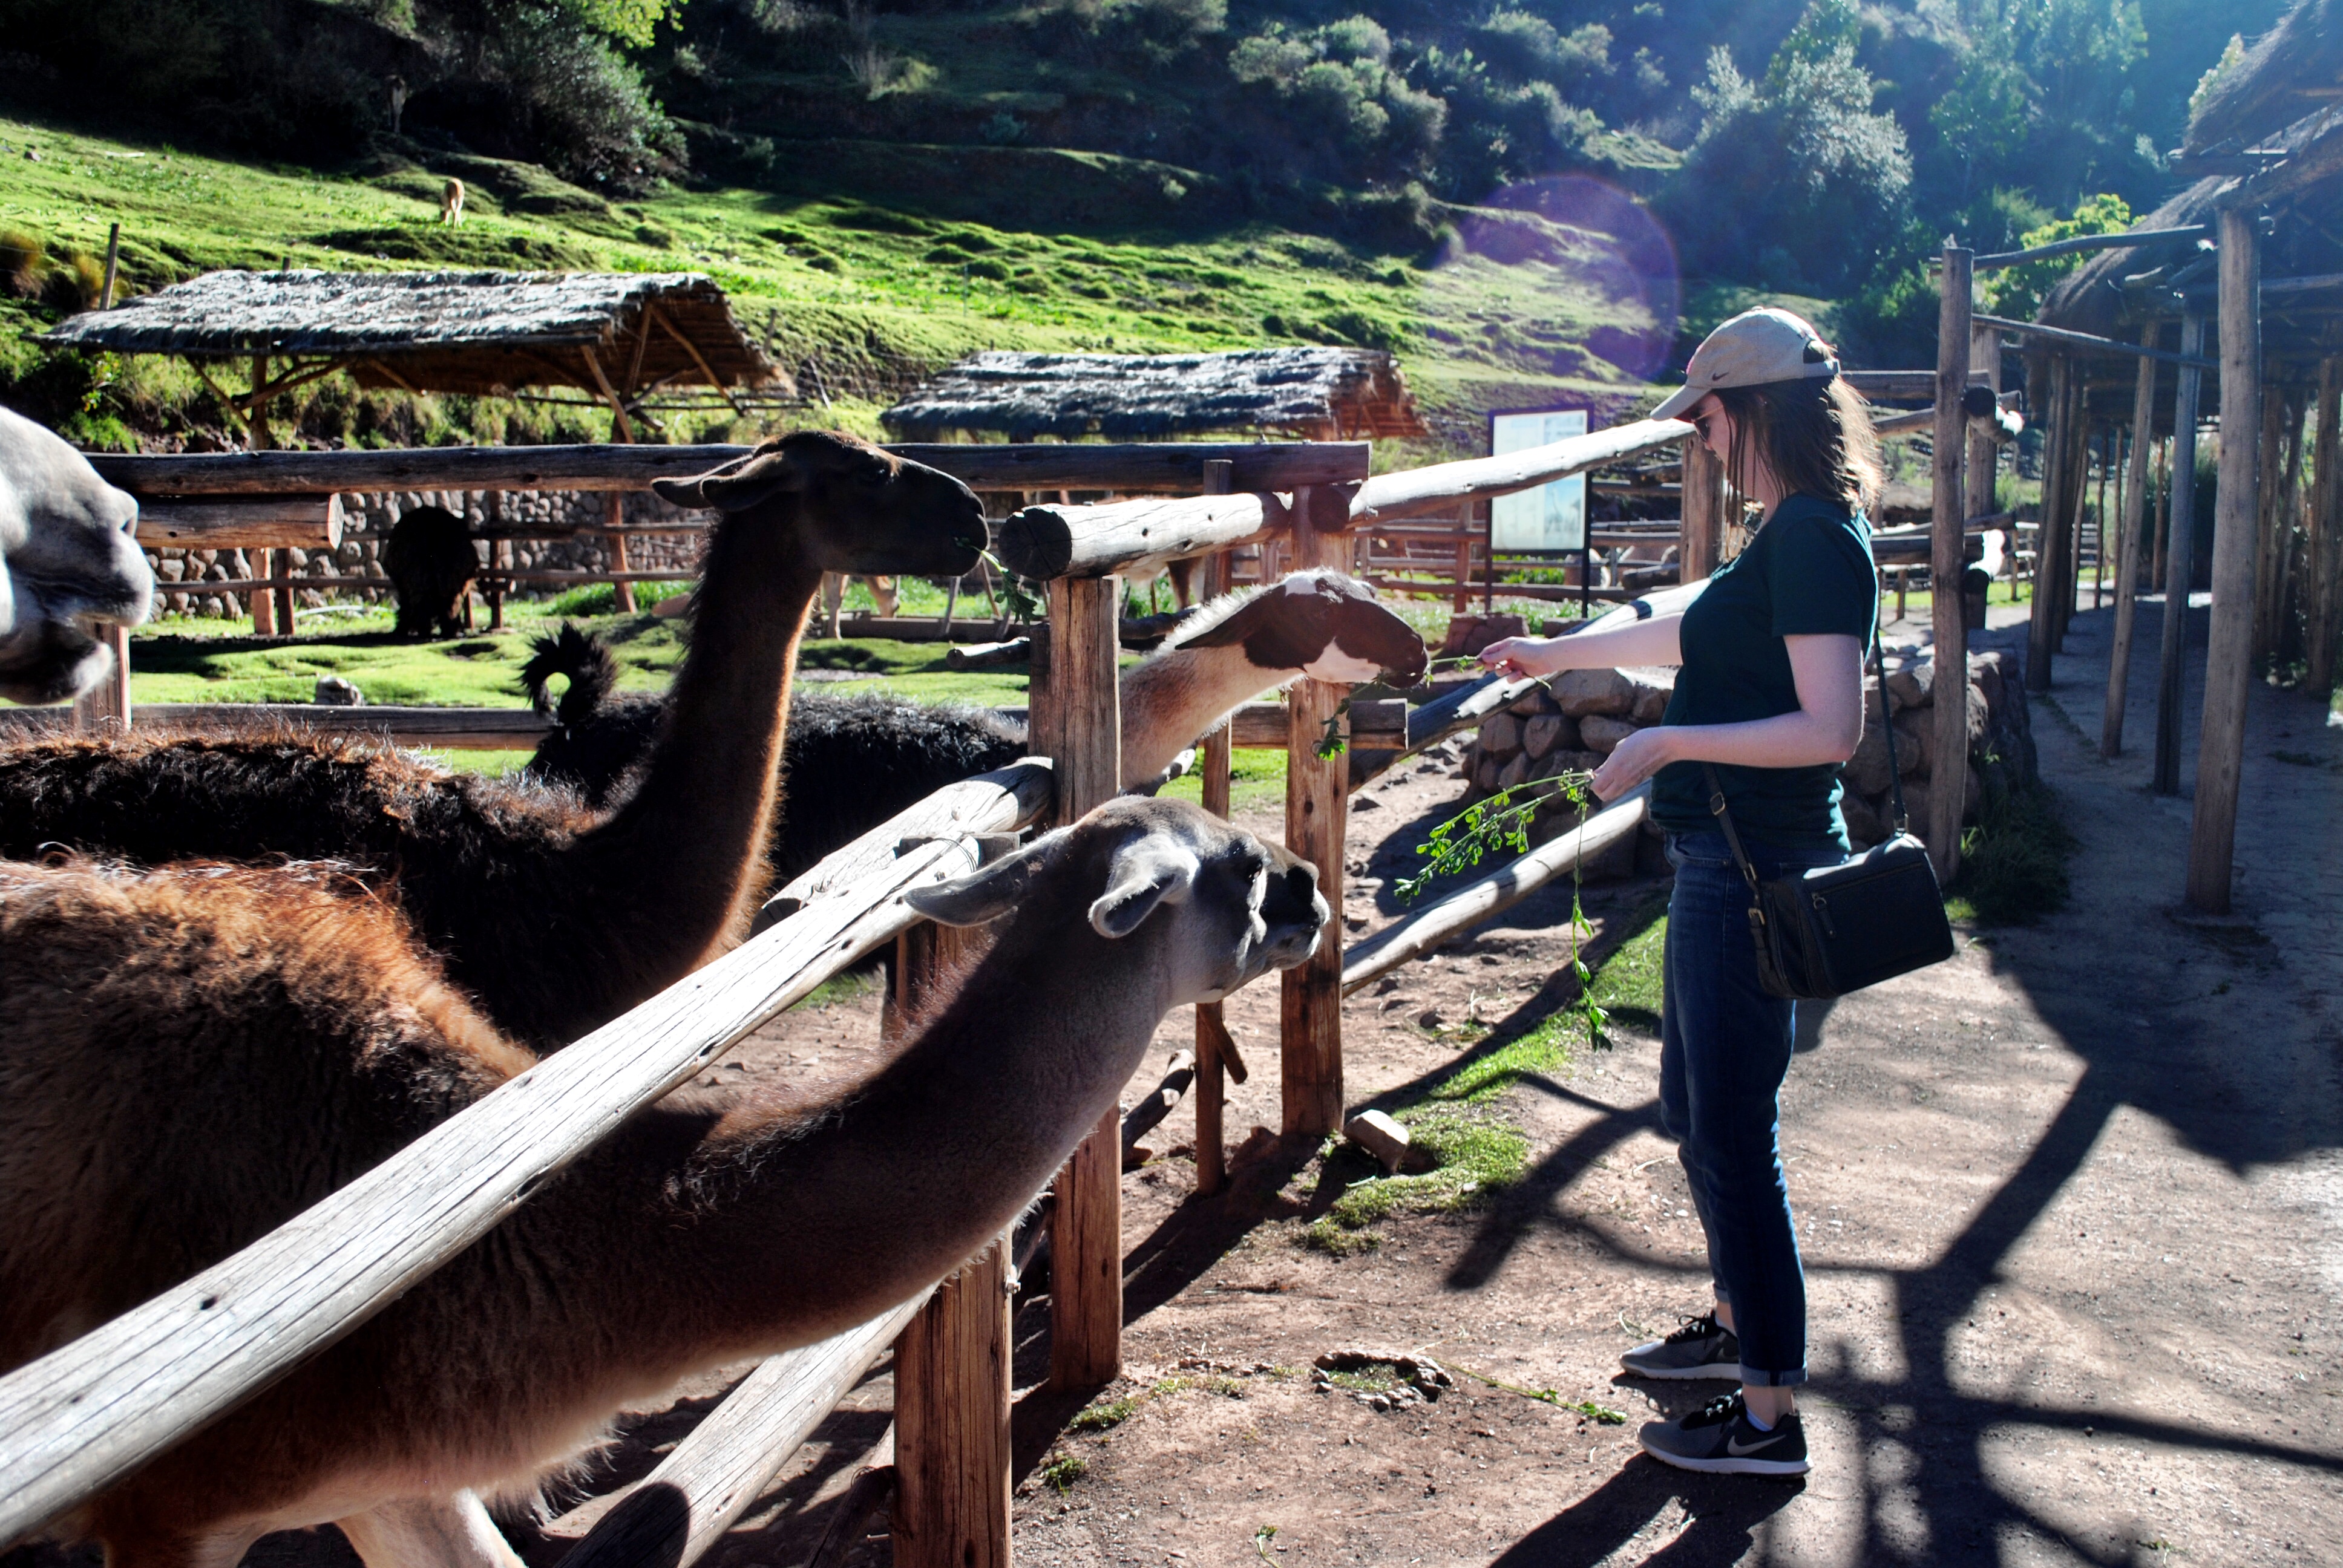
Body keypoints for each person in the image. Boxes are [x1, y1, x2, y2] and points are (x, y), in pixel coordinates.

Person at [1479, 307, 1881, 1477]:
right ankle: (1740, 1333)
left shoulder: (1810, 539)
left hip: (1750, 869)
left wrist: (1661, 750)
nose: (1700, 438)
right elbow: (1695, 631)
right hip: (1725, 859)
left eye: (1706, 416)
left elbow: (1830, 726)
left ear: (1752, 407)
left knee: (1732, 1131)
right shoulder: (1787, 533)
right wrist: (1557, 655)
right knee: (1699, 1113)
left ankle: (1768, 1418)